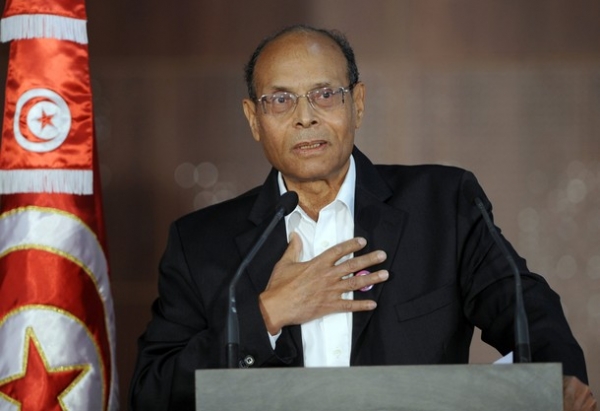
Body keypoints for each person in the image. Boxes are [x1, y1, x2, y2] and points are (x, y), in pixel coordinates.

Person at [129, 25, 596, 410]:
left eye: (324, 94)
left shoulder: (442, 205)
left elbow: (526, 310)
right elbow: (152, 393)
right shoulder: (200, 243)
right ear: (254, 119)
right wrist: (268, 314)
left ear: (358, 104)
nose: (305, 117)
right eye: (281, 100)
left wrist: (560, 383)